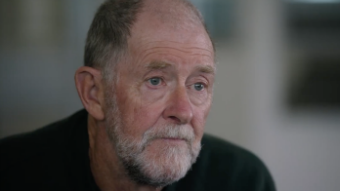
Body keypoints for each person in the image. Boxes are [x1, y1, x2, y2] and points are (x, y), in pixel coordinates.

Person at [0, 0, 276, 190]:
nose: (183, 111)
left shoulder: (242, 181)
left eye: (198, 85)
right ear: (94, 93)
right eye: (155, 81)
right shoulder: (13, 173)